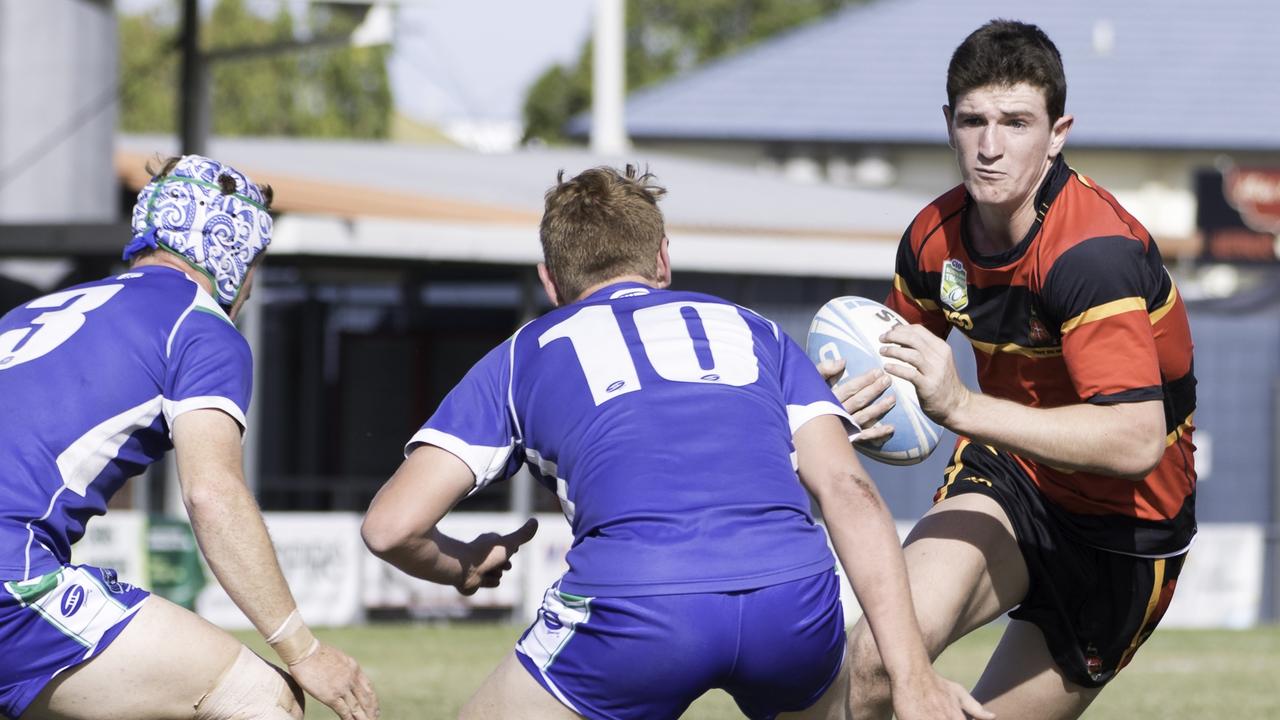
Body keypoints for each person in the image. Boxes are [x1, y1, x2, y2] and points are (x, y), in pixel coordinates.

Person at [361, 166, 988, 720]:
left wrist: (463, 563)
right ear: (662, 259)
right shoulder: (757, 331)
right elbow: (849, 491)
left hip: (636, 606)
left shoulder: (524, 352)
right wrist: (911, 678)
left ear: (550, 283)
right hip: (790, 603)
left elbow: (390, 528)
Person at [824, 19, 1197, 720]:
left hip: (1126, 530)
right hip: (1012, 477)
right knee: (874, 664)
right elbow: (893, 363)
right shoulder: (933, 238)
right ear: (948, 124)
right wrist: (847, 397)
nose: (990, 147)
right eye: (973, 121)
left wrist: (961, 406)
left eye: (1017, 122)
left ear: (1058, 132)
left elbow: (1135, 441)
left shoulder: (1091, 254)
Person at [0, 155, 378, 720]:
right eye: (255, 262)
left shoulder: (34, 311)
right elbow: (212, 496)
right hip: (11, 583)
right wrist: (305, 651)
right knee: (261, 699)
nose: (251, 285)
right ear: (232, 253)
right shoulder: (200, 328)